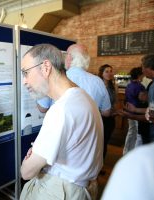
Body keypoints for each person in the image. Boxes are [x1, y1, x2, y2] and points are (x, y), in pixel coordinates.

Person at [20, 44, 103, 200]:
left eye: (26, 72)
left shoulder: (61, 109)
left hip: (59, 190)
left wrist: (28, 160)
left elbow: (26, 172)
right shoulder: (83, 96)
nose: (24, 81)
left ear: (45, 67)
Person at [37, 43, 111, 116]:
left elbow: (42, 108)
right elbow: (106, 112)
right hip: (91, 127)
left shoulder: (55, 78)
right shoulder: (98, 81)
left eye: (66, 55)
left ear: (70, 58)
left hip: (63, 127)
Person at [122, 67, 149, 154]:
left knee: (131, 132)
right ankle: (135, 154)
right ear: (139, 75)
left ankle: (126, 152)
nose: (144, 76)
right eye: (142, 75)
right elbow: (143, 99)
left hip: (129, 112)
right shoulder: (140, 86)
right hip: (137, 113)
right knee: (138, 134)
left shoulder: (129, 85)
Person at [98, 64, 117, 159]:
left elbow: (114, 103)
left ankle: (101, 164)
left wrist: (114, 111)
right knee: (98, 142)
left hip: (110, 118)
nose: (109, 73)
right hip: (99, 117)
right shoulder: (97, 85)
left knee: (105, 141)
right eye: (106, 71)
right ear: (101, 73)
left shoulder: (113, 86)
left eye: (111, 71)